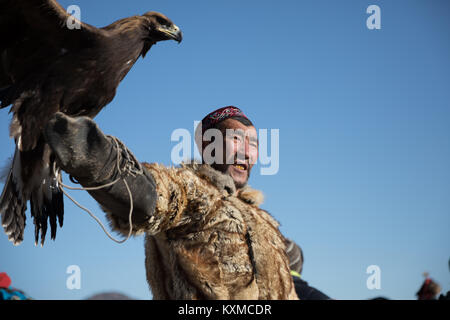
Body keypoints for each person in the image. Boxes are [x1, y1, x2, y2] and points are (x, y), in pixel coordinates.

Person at [44, 106, 298, 300]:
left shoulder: (262, 220)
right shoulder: (193, 192)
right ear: (209, 145)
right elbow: (149, 196)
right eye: (236, 139)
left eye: (253, 143)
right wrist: (93, 156)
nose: (246, 151)